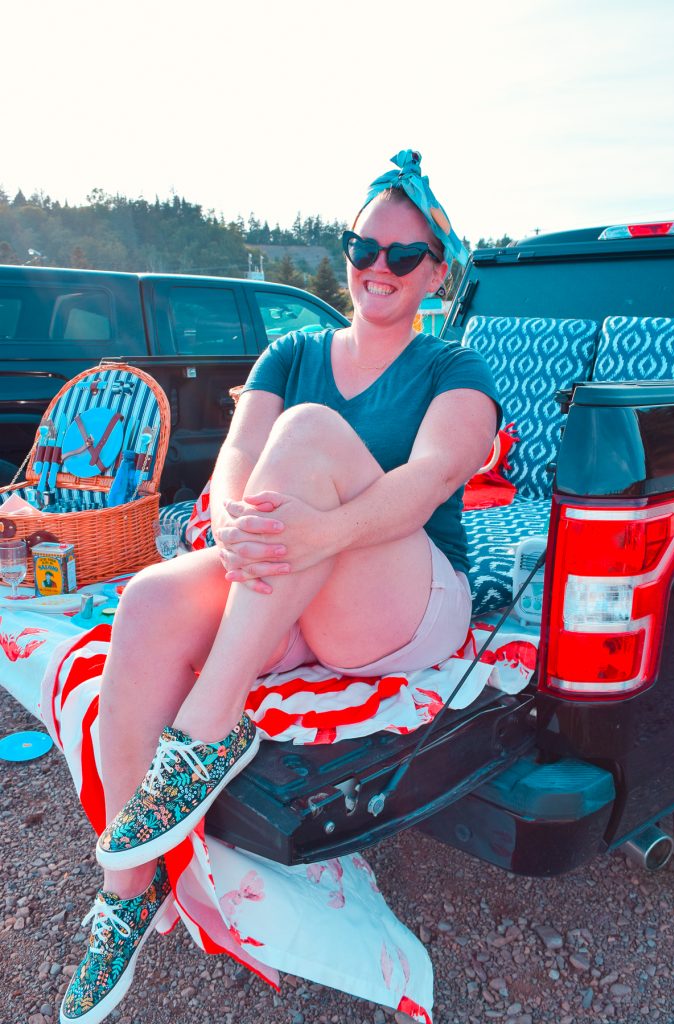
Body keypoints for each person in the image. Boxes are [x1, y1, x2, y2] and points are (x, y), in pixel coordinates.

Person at [60, 150, 501, 1024]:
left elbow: (425, 481)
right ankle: (124, 894)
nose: (376, 268)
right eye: (361, 247)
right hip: (297, 579)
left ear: (435, 274)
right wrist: (228, 525)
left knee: (306, 433)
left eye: (402, 256)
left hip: (405, 597)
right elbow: (233, 461)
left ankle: (206, 730)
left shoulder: (454, 369)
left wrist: (322, 531)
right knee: (149, 599)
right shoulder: (290, 349)